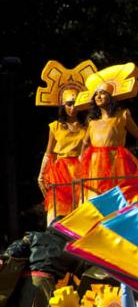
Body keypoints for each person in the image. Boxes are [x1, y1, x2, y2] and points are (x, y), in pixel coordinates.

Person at [78, 67, 138, 196]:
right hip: (96, 166)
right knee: (96, 197)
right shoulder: (92, 121)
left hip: (117, 163)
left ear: (111, 96)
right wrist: (81, 161)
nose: (98, 96)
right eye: (96, 94)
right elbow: (85, 143)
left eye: (102, 93)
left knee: (118, 195)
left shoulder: (122, 115)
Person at [38, 91, 86, 222]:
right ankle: (52, 237)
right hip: (61, 170)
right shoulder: (56, 126)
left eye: (76, 104)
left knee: (82, 206)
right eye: (69, 104)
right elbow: (49, 153)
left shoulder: (87, 125)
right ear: (63, 106)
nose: (73, 108)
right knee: (57, 206)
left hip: (81, 169)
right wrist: (41, 175)